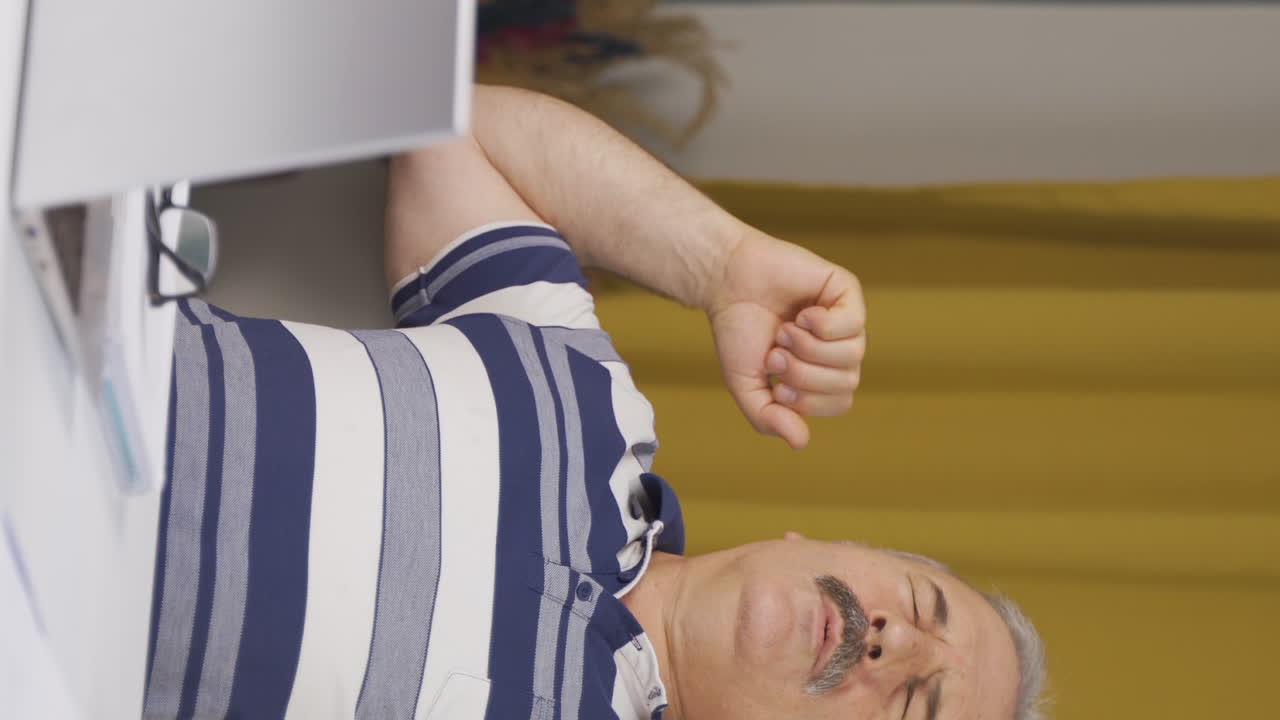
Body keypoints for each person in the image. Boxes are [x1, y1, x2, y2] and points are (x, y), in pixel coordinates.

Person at [142, 84, 1045, 720]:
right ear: (817, 540)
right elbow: (451, 133)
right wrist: (722, 263)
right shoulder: (590, 401)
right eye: (923, 604)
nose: (895, 643)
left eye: (918, 711)